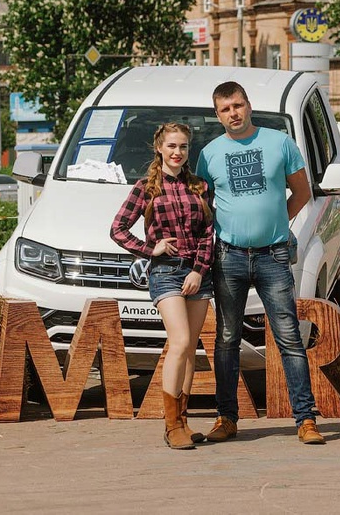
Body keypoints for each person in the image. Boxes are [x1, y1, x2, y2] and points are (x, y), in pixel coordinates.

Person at [196, 81, 326, 445]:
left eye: (237, 105)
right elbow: (202, 206)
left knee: (289, 337)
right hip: (228, 256)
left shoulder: (279, 142)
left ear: (249, 105)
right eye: (225, 109)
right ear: (217, 115)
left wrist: (277, 222)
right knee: (226, 339)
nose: (233, 113)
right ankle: (226, 418)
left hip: (273, 255)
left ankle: (306, 419)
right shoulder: (208, 154)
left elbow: (302, 192)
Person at [111, 122, 214, 450]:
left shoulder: (199, 186)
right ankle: (170, 425)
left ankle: (183, 421)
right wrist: (149, 249)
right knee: (179, 341)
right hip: (166, 272)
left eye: (183, 146)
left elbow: (208, 233)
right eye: (171, 146)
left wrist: (198, 271)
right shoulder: (146, 187)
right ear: (159, 148)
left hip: (196, 274)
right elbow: (118, 229)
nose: (177, 152)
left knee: (190, 348)